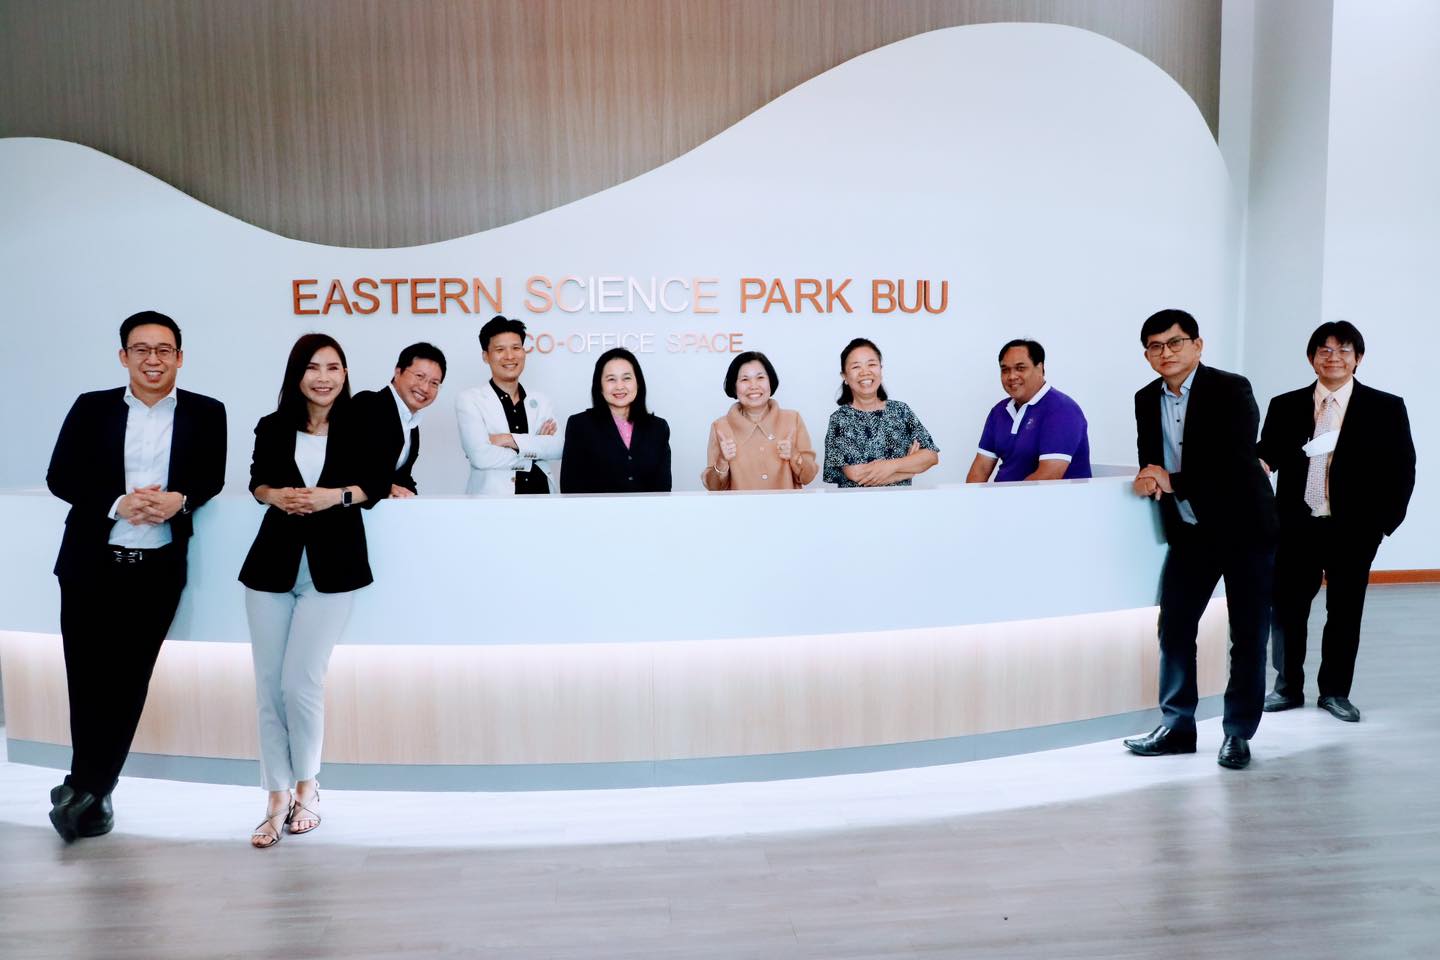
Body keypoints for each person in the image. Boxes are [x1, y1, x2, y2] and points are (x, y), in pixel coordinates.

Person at [44, 311, 226, 843]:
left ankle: (84, 790)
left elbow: (211, 477)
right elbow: (60, 475)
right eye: (141, 349)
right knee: (86, 680)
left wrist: (180, 500)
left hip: (156, 571)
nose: (153, 359)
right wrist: (117, 503)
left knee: (127, 684)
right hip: (89, 566)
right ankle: (91, 794)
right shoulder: (91, 407)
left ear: (180, 358)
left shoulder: (207, 412)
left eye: (164, 350)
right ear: (124, 356)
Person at [238, 333, 390, 848]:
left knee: (300, 683)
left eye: (333, 367)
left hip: (334, 568)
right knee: (268, 686)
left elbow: (375, 482)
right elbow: (257, 481)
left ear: (345, 374)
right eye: (313, 367)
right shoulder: (273, 425)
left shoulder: (361, 423)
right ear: (296, 374)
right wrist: (275, 495)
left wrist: (334, 497)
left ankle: (308, 787)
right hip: (270, 568)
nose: (324, 377)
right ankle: (275, 797)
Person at [1124, 309, 1276, 770]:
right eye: (1155, 346)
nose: (1165, 353)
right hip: (1191, 532)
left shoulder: (1231, 388)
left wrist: (1172, 481)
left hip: (1245, 528)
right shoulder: (1145, 398)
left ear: (1197, 345)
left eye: (1175, 342)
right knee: (1174, 626)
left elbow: (1235, 461)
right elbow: (1152, 457)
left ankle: (1237, 733)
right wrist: (1148, 477)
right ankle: (1177, 726)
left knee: (1247, 634)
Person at [1257, 321, 1416, 722]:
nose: (1334, 357)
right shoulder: (1285, 404)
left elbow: (1402, 469)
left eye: (1344, 350)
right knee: (1287, 610)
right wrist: (1255, 463)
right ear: (1312, 358)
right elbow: (1269, 453)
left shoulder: (1385, 407)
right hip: (1296, 527)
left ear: (1358, 359)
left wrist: (1381, 526)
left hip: (1354, 530)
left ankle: (1334, 692)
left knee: (1345, 612)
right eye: (1324, 350)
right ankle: (1287, 687)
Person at [455, 316, 562, 495]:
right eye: (500, 349)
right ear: (485, 356)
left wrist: (508, 439)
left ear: (524, 352)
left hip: (542, 497)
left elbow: (558, 447)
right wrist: (535, 450)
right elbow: (480, 456)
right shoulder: (470, 399)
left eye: (516, 348)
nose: (510, 356)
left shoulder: (541, 400)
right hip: (492, 502)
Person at [965, 339, 1091, 483]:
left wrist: (1003, 497)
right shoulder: (999, 411)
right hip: (1004, 496)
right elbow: (980, 468)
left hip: (1053, 497)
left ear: (1040, 368)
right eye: (1005, 370)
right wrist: (970, 496)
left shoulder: (1062, 410)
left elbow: (1048, 476)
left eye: (1020, 368)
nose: (1012, 376)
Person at [822, 337, 939, 487]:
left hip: (902, 501)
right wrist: (909, 470)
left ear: (880, 370)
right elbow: (856, 475)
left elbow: (931, 456)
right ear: (844, 376)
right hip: (856, 502)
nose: (865, 372)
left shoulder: (900, 411)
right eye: (856, 367)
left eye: (871, 364)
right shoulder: (840, 419)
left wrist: (890, 466)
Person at [560, 347, 671, 493]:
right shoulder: (579, 425)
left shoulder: (658, 428)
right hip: (595, 508)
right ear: (600, 386)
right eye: (611, 379)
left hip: (648, 508)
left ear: (638, 383)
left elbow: (663, 488)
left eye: (626, 378)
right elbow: (570, 488)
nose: (619, 386)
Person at [702, 351, 818, 490]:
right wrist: (722, 461)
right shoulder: (721, 427)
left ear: (770, 381)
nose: (753, 386)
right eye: (745, 379)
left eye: (760, 377)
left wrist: (794, 455)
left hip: (787, 504)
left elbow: (808, 477)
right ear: (734, 386)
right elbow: (713, 488)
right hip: (739, 505)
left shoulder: (793, 419)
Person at [352, 342, 447, 498]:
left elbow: (401, 478)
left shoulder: (411, 423)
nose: (425, 388)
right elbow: (351, 466)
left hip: (385, 510)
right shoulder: (367, 403)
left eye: (434, 383)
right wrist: (384, 487)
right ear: (398, 372)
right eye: (419, 376)